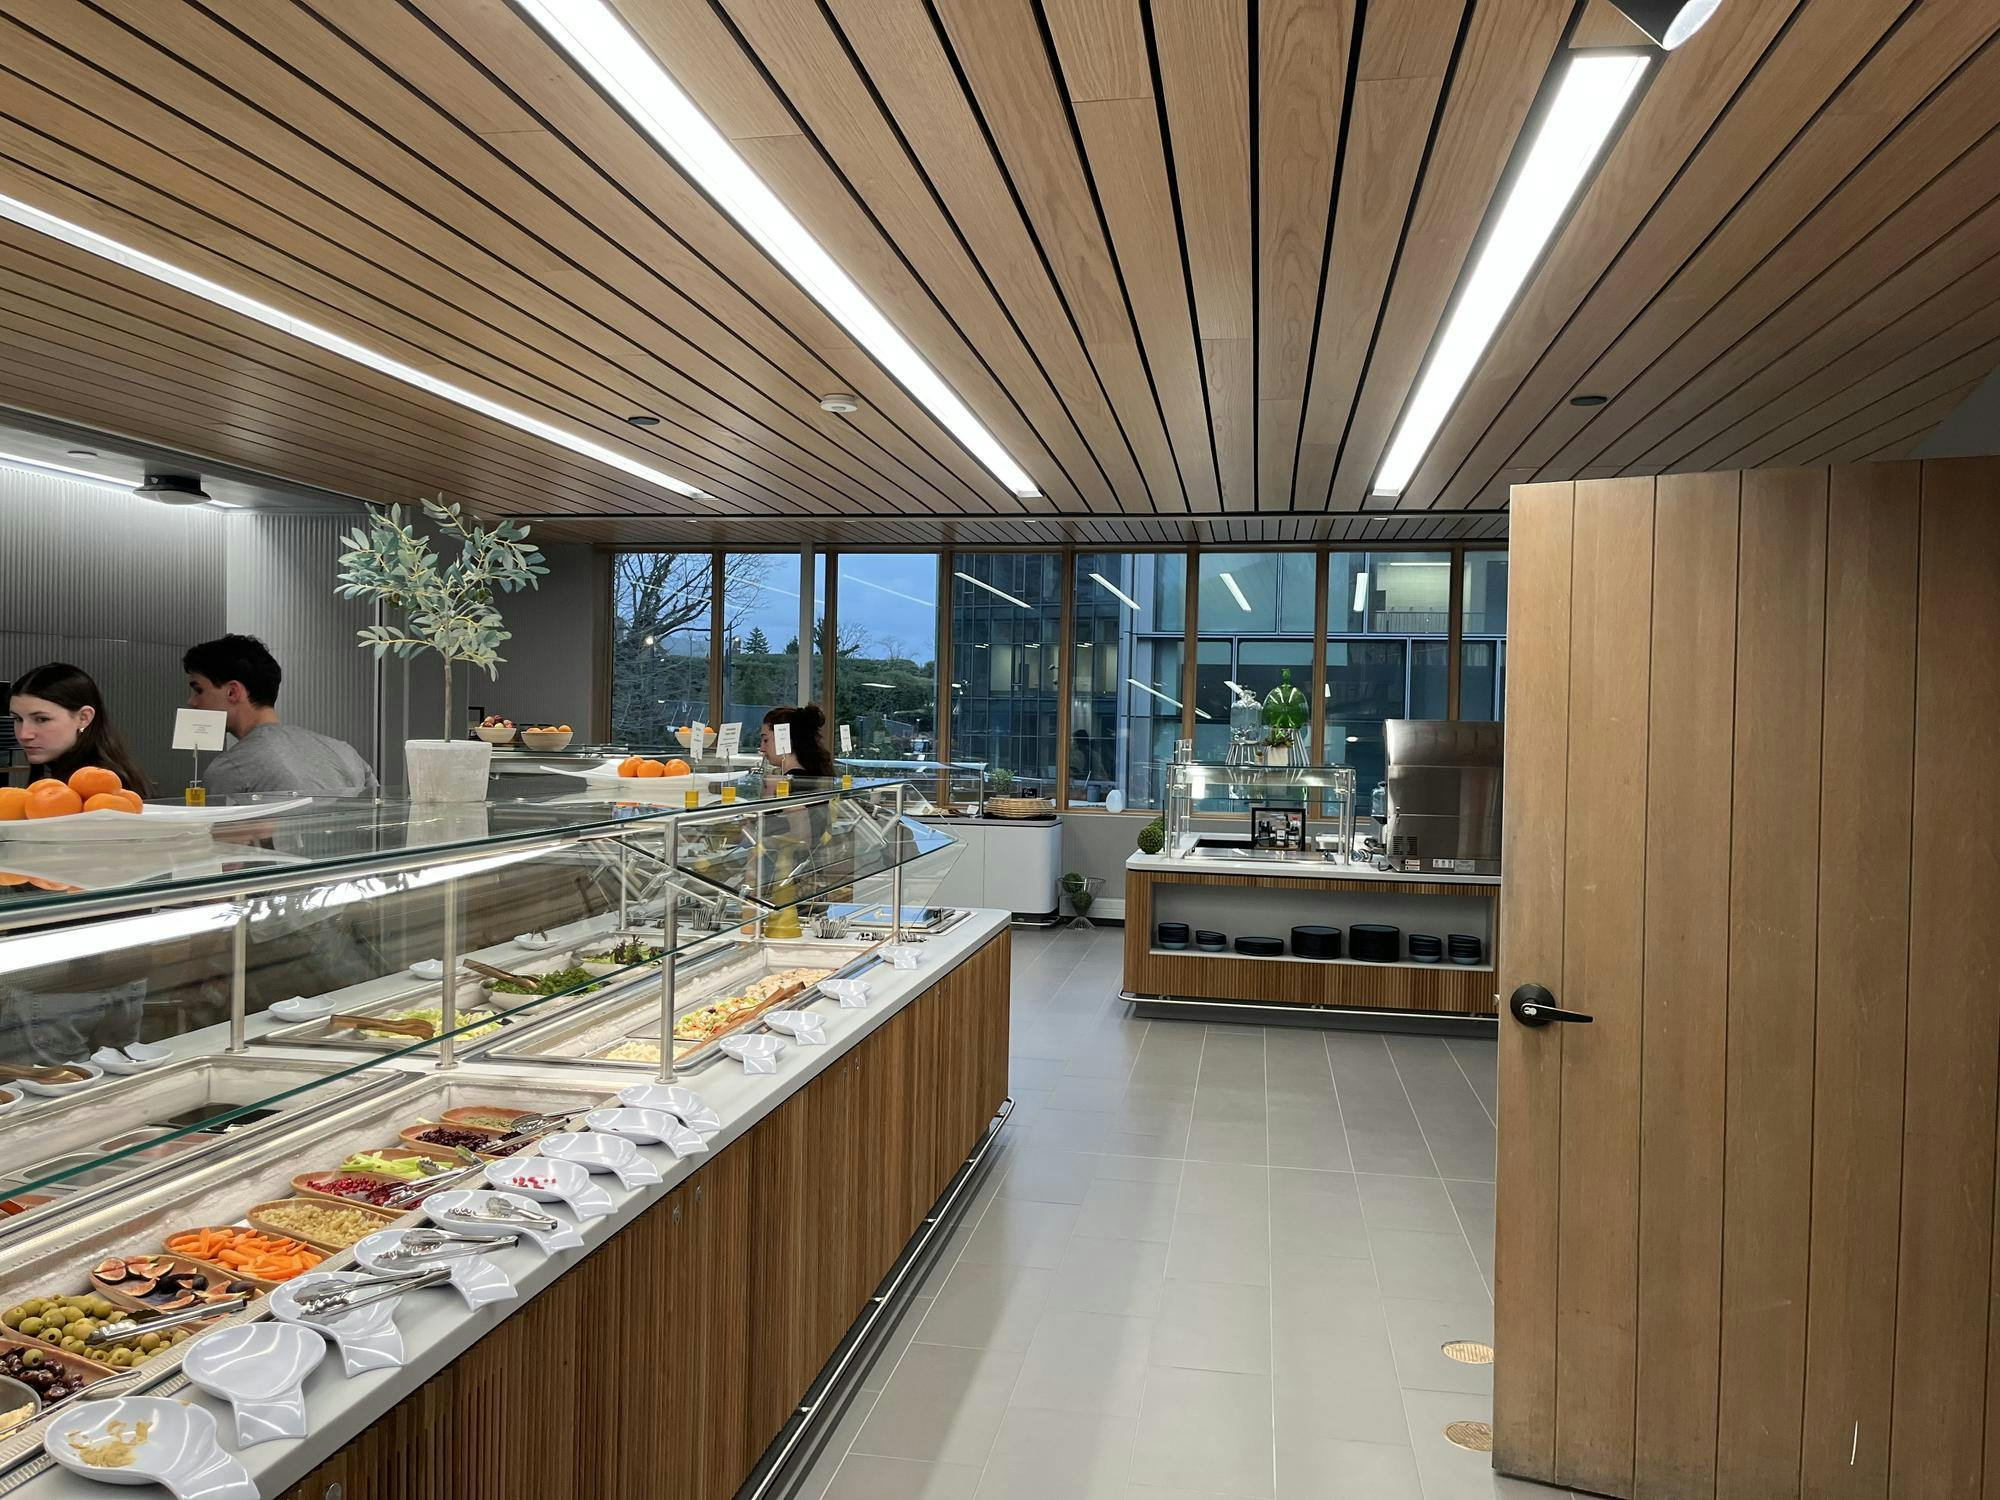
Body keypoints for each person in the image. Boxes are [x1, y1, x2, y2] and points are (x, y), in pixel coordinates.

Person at [183, 635, 377, 797]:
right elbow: (378, 818)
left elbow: (216, 831)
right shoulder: (345, 752)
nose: (191, 702)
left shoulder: (232, 767)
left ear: (233, 692)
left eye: (198, 690)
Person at [8, 662, 152, 796]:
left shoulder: (98, 786)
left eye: (42, 719)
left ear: (84, 717)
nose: (24, 734)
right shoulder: (58, 776)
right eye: (18, 719)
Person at [759, 704, 835, 778]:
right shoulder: (807, 776)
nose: (762, 749)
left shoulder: (794, 782)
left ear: (784, 738)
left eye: (766, 740)